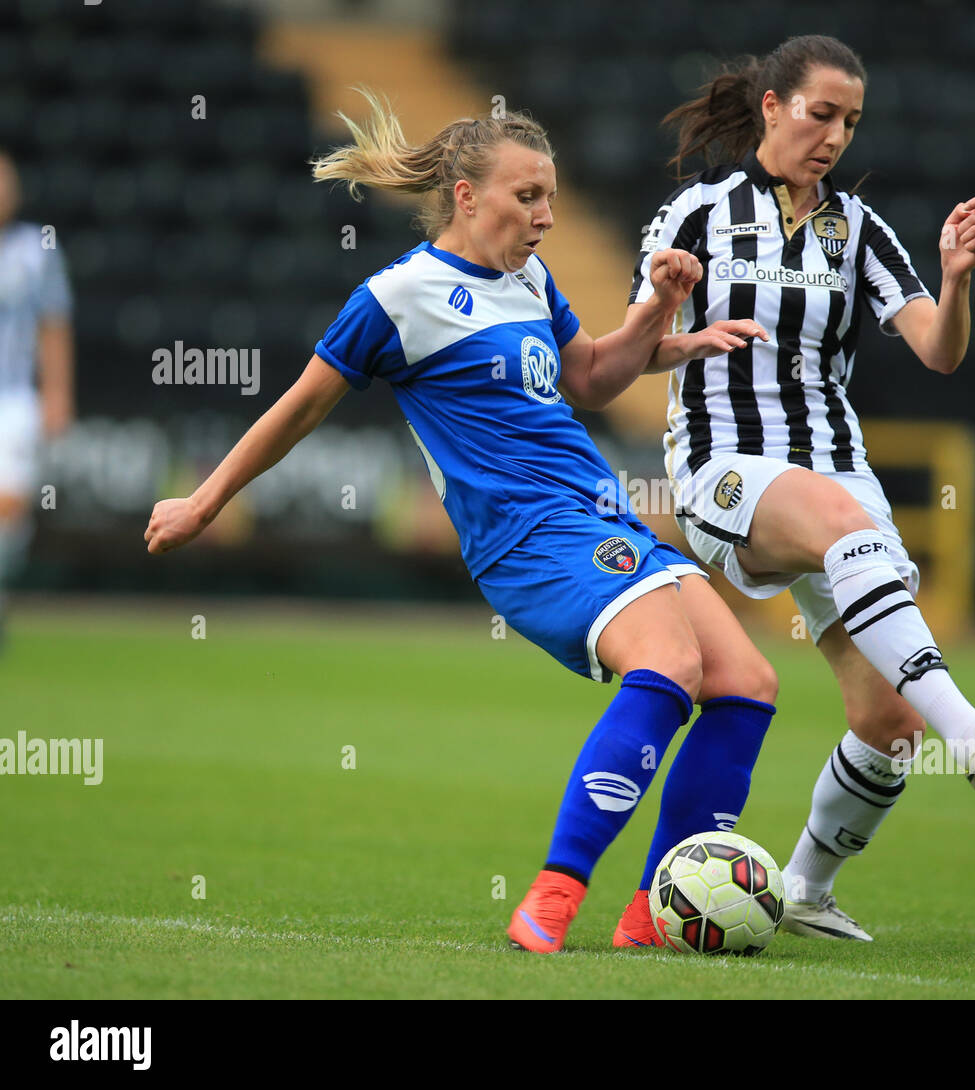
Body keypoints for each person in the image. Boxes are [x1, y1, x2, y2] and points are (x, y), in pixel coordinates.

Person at [143, 93, 778, 954]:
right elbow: (297, 410)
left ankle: (650, 918)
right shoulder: (396, 298)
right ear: (466, 194)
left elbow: (587, 377)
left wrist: (661, 320)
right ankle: (551, 900)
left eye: (551, 197)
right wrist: (204, 502)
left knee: (746, 679)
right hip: (526, 539)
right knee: (669, 661)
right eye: (528, 197)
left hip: (597, 514)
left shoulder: (527, 279)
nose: (545, 216)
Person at [623, 35, 975, 942]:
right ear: (774, 107)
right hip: (724, 466)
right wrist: (669, 319)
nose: (834, 136)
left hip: (831, 465)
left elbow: (939, 350)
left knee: (889, 718)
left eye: (851, 121)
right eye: (821, 113)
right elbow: (629, 355)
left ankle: (805, 890)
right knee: (838, 520)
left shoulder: (859, 229)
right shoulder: (696, 214)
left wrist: (954, 278)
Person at [0, 149, 75, 649]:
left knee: (9, 508)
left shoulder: (35, 249)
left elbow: (54, 324)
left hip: (13, 398)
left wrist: (57, 394)